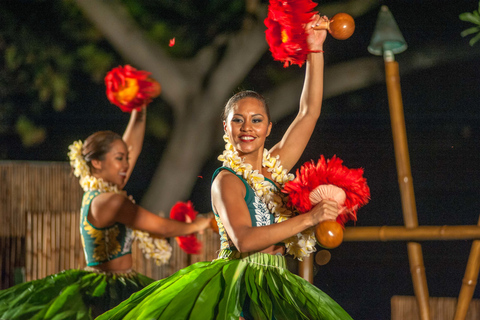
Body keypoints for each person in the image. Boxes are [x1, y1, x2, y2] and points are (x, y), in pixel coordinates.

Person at [96, 14, 353, 320]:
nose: (247, 127)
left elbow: (309, 112)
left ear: (269, 128)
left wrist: (314, 49)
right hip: (238, 286)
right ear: (226, 127)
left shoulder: (276, 166)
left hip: (278, 283)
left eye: (256, 120)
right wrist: (309, 218)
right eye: (238, 120)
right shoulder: (227, 180)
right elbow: (244, 239)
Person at [0, 107, 211, 320]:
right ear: (97, 163)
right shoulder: (111, 202)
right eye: (120, 158)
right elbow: (162, 227)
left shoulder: (99, 192)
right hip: (108, 292)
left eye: (126, 159)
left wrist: (140, 110)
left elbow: (132, 148)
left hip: (118, 282)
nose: (126, 165)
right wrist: (197, 224)